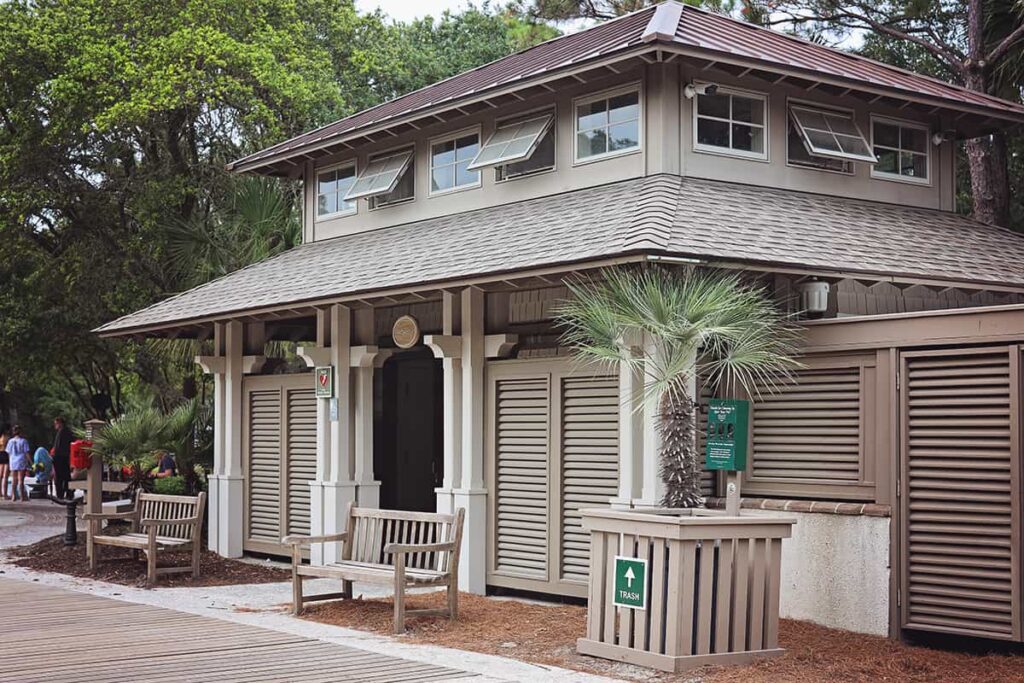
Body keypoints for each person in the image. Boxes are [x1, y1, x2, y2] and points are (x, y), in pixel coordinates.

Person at [7, 426, 30, 502]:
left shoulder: (10, 441)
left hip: (13, 461)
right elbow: (26, 452)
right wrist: (31, 462)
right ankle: (22, 496)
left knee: (14, 479)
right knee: (21, 480)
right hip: (21, 460)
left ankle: (13, 496)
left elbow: (8, 452)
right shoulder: (23, 441)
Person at [52, 416, 73, 500]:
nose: (55, 426)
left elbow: (58, 446)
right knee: (66, 476)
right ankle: (68, 493)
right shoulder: (68, 432)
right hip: (65, 456)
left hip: (60, 457)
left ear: (60, 423)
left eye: (56, 424)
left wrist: (54, 455)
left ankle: (60, 494)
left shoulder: (61, 433)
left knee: (59, 477)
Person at [0, 424, 10, 500]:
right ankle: (5, 494)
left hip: (0, 454)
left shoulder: (0, 438)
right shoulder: (7, 438)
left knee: (0, 476)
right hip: (5, 455)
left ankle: (0, 493)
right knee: (5, 476)